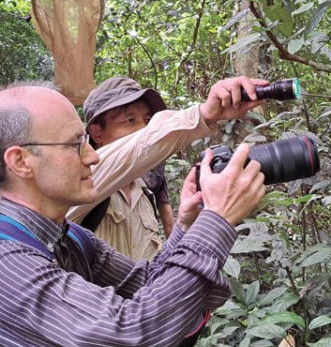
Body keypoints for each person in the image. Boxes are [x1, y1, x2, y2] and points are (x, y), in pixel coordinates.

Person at [0, 82, 266, 347]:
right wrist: (217, 222)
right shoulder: (0, 272)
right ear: (21, 161)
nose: (92, 157)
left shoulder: (70, 240)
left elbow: (148, 283)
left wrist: (188, 225)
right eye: (75, 145)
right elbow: (136, 338)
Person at [66, 76, 267, 257]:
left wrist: (185, 226)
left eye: (147, 120)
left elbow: (153, 273)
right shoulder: (81, 186)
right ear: (96, 133)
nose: (143, 129)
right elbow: (139, 146)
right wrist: (205, 114)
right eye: (130, 120)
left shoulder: (145, 194)